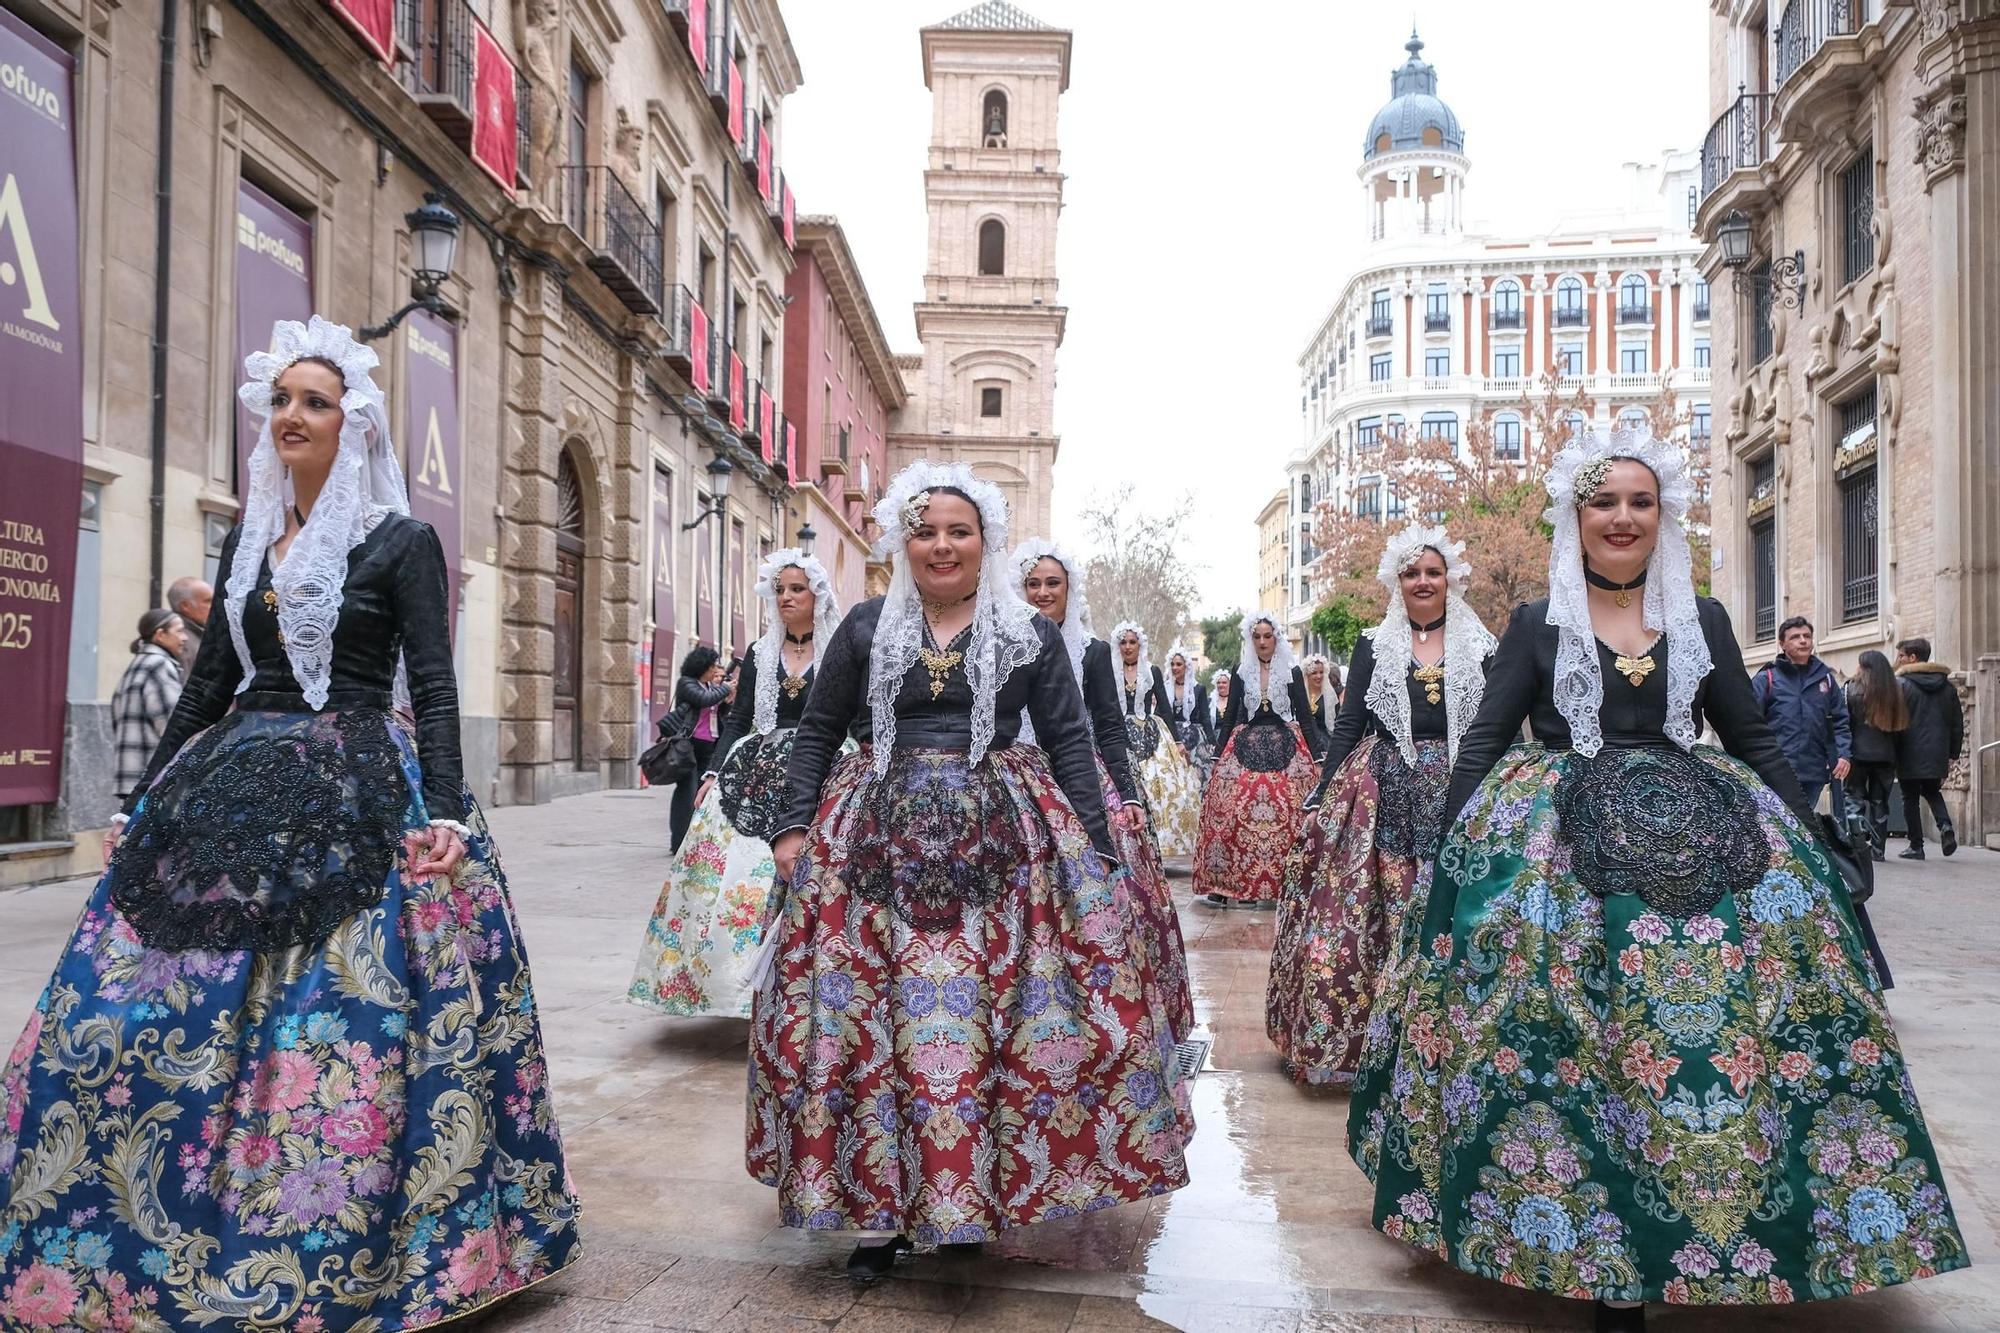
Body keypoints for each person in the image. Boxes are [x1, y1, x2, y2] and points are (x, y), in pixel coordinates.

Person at [1, 317, 579, 1328]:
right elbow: (210, 680)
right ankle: (122, 1220)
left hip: (361, 776)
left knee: (350, 1015)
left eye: (316, 402)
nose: (293, 417)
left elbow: (435, 685)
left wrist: (442, 806)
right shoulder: (247, 540)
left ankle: (338, 1237)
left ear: (352, 425)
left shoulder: (401, 541)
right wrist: (143, 798)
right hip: (232, 779)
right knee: (126, 1008)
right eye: (280, 401)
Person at [1347, 431, 1964, 1331]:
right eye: (1604, 502)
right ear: (1577, 516)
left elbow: (1750, 738)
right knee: (1577, 1043)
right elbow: (1483, 740)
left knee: (1717, 1040)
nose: (1623, 517)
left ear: (1662, 513)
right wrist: (1450, 847)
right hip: (1560, 851)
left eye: (1640, 501)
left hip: (1700, 835)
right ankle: (1603, 1257)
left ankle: (1748, 1231)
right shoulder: (1534, 624)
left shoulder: (1705, 619)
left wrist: (1811, 836)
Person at [752, 462, 1191, 1278]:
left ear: (984, 541)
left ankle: (979, 1192)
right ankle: (881, 1212)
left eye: (959, 530)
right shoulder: (862, 627)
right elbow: (817, 731)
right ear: (901, 540)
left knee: (990, 1024)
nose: (942, 544)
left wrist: (1094, 851)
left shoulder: (1029, 630)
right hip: (870, 854)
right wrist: (789, 827)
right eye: (925, 530)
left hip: (1003, 852)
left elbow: (1067, 744)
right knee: (873, 1028)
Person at [1267, 524, 1494, 1087]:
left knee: (1450, 908)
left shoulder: (1481, 643)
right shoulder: (1374, 643)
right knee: (1370, 915)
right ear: (1398, 581)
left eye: (1433, 572)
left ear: (1451, 580)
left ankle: (1448, 1043)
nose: (1423, 581)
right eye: (1413, 573)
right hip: (1385, 787)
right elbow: (1349, 723)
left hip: (1459, 788)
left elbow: (1497, 725)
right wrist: (1323, 790)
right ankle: (1380, 1042)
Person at [630, 549, 840, 1018]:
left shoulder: (838, 649)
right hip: (753, 769)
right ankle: (728, 990)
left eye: (796, 589)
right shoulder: (761, 652)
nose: (785, 597)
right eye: (779, 589)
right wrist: (713, 773)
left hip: (820, 764)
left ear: (817, 596)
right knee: (729, 883)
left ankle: (807, 994)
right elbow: (740, 717)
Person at [1017, 541, 1194, 1044]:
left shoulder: (1093, 653)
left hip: (1080, 781)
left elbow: (1110, 729)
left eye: (1053, 583)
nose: (1043, 592)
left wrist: (1130, 794)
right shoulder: (999, 643)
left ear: (1069, 589)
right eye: (1033, 584)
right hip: (1013, 779)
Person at [1195, 612, 1315, 908]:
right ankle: (1226, 885)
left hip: (1286, 742)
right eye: (1257, 636)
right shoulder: (1241, 671)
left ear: (1277, 638)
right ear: (1251, 640)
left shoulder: (1291, 671)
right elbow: (1231, 716)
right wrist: (1218, 753)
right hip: (1245, 741)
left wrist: (1318, 756)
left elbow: (1306, 717)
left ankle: (1293, 881)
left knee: (1292, 809)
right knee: (1228, 806)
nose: (1262, 642)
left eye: (1267, 636)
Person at [1113, 620, 1202, 859]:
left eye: (1132, 642)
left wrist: (1176, 741)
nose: (1128, 647)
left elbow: (1164, 706)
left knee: (1160, 787)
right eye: (1123, 642)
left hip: (1150, 733)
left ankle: (1157, 846)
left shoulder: (1151, 671)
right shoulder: (1110, 670)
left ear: (1140, 645)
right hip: (1118, 732)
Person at [1751, 615, 1852, 815]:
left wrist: (1844, 755)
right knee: (1778, 827)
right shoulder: (1767, 679)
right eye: (1795, 637)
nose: (1803, 640)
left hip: (1812, 771)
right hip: (1775, 771)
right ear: (1782, 644)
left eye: (1807, 636)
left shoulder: (1826, 680)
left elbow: (1841, 720)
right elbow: (1750, 724)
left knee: (1803, 827)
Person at [1896, 636, 1965, 859]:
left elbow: (1895, 721)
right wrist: (1952, 754)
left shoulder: (1902, 686)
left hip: (1908, 751)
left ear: (1913, 657)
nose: (1899, 660)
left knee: (1909, 797)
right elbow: (1957, 723)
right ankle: (1945, 826)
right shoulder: (1947, 687)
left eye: (1902, 656)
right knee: (1932, 791)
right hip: (1937, 752)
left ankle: (1916, 846)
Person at [111, 608, 187, 801]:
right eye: (179, 631)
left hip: (130, 775)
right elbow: (173, 727)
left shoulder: (137, 664)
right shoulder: (158, 665)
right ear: (160, 635)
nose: (185, 638)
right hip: (153, 779)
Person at [665, 645, 733, 851]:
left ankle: (698, 837)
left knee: (705, 793)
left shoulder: (709, 687)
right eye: (712, 666)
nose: (715, 670)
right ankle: (679, 841)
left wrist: (727, 700)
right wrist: (727, 688)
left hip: (710, 745)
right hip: (689, 744)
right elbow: (704, 701)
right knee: (687, 792)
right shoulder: (687, 684)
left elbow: (716, 709)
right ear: (701, 666)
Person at [1845, 649, 1906, 861]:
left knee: (1853, 799)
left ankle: (1857, 844)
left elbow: (1847, 725)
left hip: (1857, 755)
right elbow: (1901, 730)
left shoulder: (1852, 690)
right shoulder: (1896, 692)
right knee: (1880, 803)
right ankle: (1878, 850)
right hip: (1886, 757)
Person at [165, 574, 213, 675]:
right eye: (207, 601)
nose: (214, 606)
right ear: (185, 606)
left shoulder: (203, 635)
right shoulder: (179, 640)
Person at [1298, 652, 1334, 761]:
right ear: (1307, 675)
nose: (1318, 676)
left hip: (1325, 744)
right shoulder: (1300, 696)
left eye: (1321, 672)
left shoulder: (1329, 696)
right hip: (1303, 742)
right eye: (1314, 673)